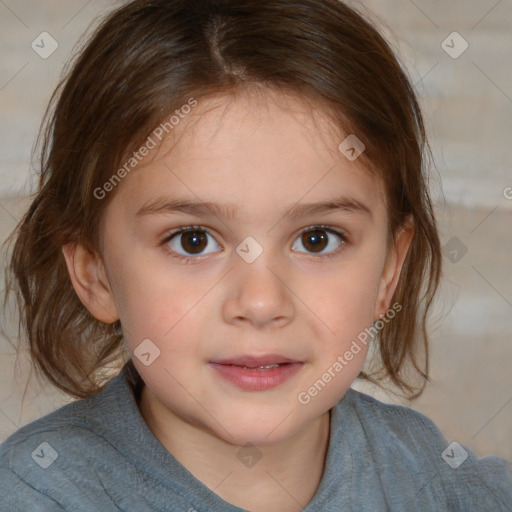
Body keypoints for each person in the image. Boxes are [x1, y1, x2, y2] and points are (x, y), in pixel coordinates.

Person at [1, 0, 511, 510]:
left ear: (388, 271)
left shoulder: (446, 489)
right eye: (193, 240)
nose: (262, 302)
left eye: (317, 239)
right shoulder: (33, 494)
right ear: (95, 274)